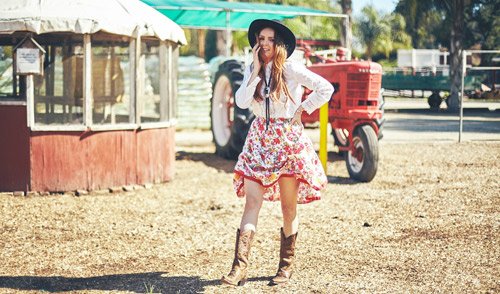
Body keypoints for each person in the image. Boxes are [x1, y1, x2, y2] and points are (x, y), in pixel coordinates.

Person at [221, 19, 334, 286]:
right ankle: (239, 268)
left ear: (279, 43)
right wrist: (255, 70)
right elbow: (241, 101)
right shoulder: (253, 68)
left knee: (287, 206)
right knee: (252, 203)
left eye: (270, 39)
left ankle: (285, 267)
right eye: (261, 39)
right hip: (259, 139)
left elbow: (325, 88)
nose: (265, 44)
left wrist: (303, 108)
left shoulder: (291, 68)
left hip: (286, 141)